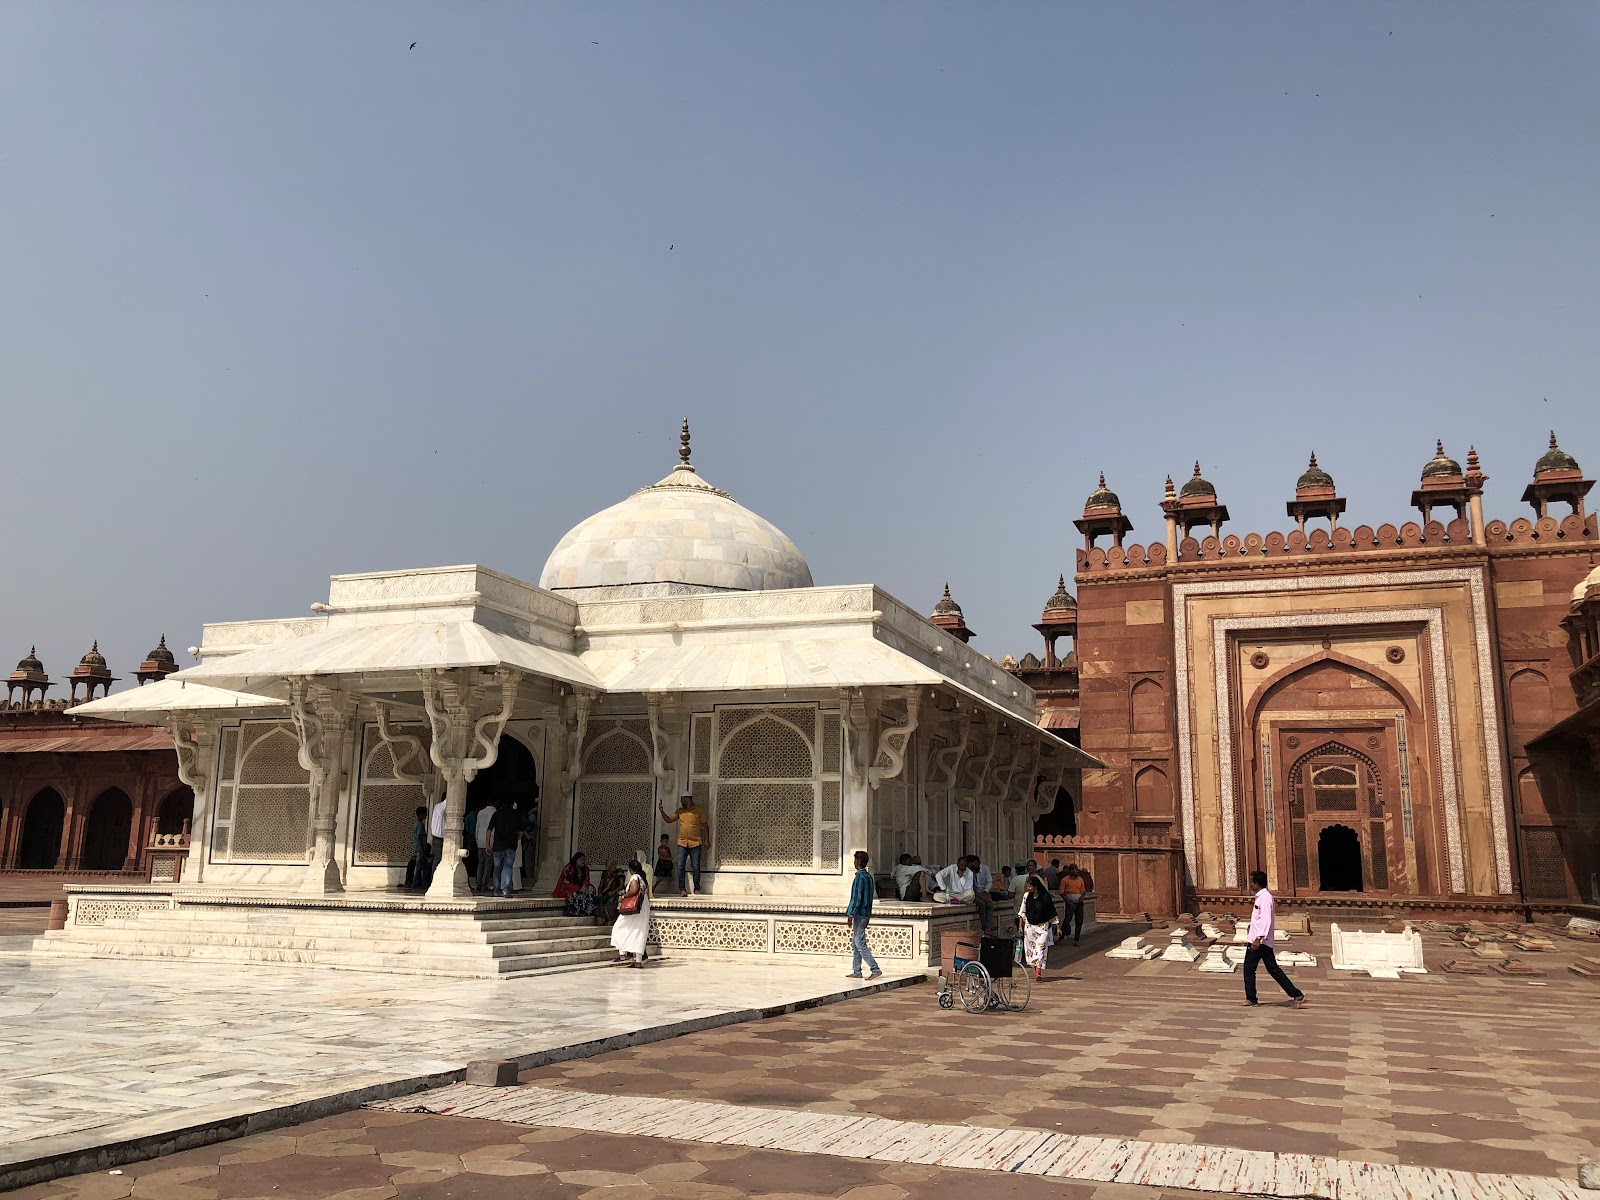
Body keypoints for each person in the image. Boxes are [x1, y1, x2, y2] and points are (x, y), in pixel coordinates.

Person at [1244, 869, 1305, 1009]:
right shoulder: (1261, 897)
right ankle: (1252, 998)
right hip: (1259, 939)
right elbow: (1260, 918)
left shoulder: (1264, 897)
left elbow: (1266, 919)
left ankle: (1296, 994)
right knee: (1263, 969)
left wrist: (1258, 937)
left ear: (1257, 883)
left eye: (1251, 882)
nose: (1250, 885)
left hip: (1260, 941)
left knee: (1262, 969)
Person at [844, 850, 882, 980]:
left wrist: (850, 914)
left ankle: (875, 968)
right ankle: (857, 970)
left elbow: (856, 898)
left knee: (859, 943)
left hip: (860, 913)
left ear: (857, 862)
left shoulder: (860, 877)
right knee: (856, 943)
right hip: (865, 913)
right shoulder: (868, 877)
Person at [658, 794, 706, 895]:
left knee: (696, 866)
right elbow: (669, 820)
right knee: (680, 866)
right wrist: (662, 811)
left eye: (682, 799)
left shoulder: (698, 810)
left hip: (695, 842)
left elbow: (705, 825)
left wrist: (707, 840)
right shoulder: (680, 811)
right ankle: (682, 889)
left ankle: (697, 888)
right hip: (682, 842)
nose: (681, 801)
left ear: (688, 799)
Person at [611, 853, 652, 967]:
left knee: (618, 927)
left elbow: (634, 891)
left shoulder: (634, 877)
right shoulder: (642, 878)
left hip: (634, 908)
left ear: (630, 870)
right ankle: (637, 961)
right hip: (642, 907)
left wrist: (624, 896)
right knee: (639, 932)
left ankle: (623, 954)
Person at [1018, 874, 1060, 980]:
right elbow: (1022, 912)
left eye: (1030, 886)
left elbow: (1052, 912)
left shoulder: (1045, 897)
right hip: (1029, 926)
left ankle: (1038, 970)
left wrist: (1058, 927)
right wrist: (1020, 926)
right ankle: (1036, 967)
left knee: (1040, 947)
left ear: (1035, 887)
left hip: (1042, 926)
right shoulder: (1027, 896)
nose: (1028, 888)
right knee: (1031, 950)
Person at [487, 799, 522, 898]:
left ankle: (496, 890)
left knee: (497, 868)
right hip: (510, 846)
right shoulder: (516, 815)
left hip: (498, 846)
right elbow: (521, 831)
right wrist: (516, 840)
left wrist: (488, 844)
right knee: (508, 867)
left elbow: (489, 830)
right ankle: (506, 890)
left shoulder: (497, 814)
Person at [553, 851, 596, 917]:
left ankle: (589, 911)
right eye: (581, 860)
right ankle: (575, 912)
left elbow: (586, 878)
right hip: (568, 888)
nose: (583, 862)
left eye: (584, 860)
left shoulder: (585, 868)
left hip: (581, 887)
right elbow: (566, 883)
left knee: (591, 889)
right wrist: (579, 889)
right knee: (575, 894)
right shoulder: (569, 868)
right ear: (576, 860)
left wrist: (584, 886)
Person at [1059, 864, 1088, 944]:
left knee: (1079, 921)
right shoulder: (1065, 880)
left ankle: (1076, 939)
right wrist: (1068, 902)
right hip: (1070, 902)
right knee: (1067, 920)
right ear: (1071, 871)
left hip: (1079, 902)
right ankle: (1061, 937)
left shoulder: (1080, 879)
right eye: (1075, 870)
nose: (1077, 871)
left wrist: (1082, 898)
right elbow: (1061, 893)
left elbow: (1083, 891)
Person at [474, 800, 497, 891]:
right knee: (488, 863)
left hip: (480, 840)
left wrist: (477, 840)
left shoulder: (480, 812)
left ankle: (478, 883)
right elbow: (493, 829)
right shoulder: (494, 812)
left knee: (480, 862)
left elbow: (477, 827)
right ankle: (484, 884)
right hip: (490, 840)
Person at [595, 859, 625, 924]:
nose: (615, 866)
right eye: (613, 864)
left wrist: (613, 892)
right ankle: (601, 919)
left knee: (610, 902)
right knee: (599, 901)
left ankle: (611, 919)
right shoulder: (605, 873)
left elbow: (621, 885)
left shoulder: (619, 872)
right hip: (606, 893)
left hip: (615, 892)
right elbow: (601, 885)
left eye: (615, 864)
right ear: (608, 866)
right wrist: (600, 892)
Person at [409, 805, 431, 890]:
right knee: (418, 867)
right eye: (425, 814)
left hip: (419, 848)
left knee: (421, 866)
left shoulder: (417, 824)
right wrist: (422, 849)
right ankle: (415, 883)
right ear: (421, 814)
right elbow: (418, 837)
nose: (426, 815)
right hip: (420, 849)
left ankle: (419, 883)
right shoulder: (420, 825)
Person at [429, 795, 447, 879]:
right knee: (438, 859)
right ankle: (434, 878)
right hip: (438, 839)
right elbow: (445, 805)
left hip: (444, 839)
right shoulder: (439, 807)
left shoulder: (443, 810)